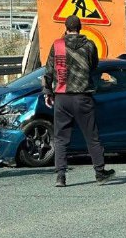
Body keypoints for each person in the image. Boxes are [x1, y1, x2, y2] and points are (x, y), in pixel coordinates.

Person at [43, 14, 114, 187]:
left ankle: (61, 176)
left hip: (62, 97)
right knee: (92, 136)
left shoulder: (57, 45)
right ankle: (99, 172)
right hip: (83, 97)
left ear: (66, 28)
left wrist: (47, 92)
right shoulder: (89, 45)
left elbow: (48, 71)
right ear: (80, 28)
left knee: (61, 138)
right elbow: (93, 65)